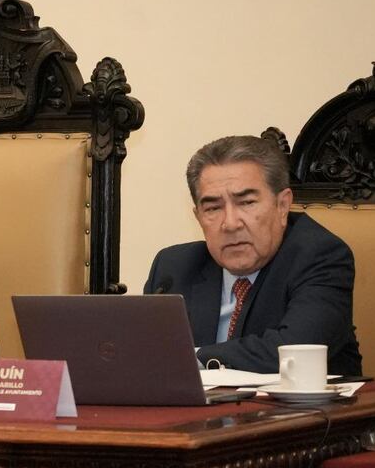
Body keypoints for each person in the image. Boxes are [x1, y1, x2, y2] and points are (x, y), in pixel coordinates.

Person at [144, 135, 362, 375]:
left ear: (282, 206)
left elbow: (296, 351)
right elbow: (145, 355)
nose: (230, 223)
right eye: (213, 208)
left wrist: (192, 358)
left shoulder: (320, 256)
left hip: (300, 411)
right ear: (198, 217)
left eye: (246, 203)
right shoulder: (174, 267)